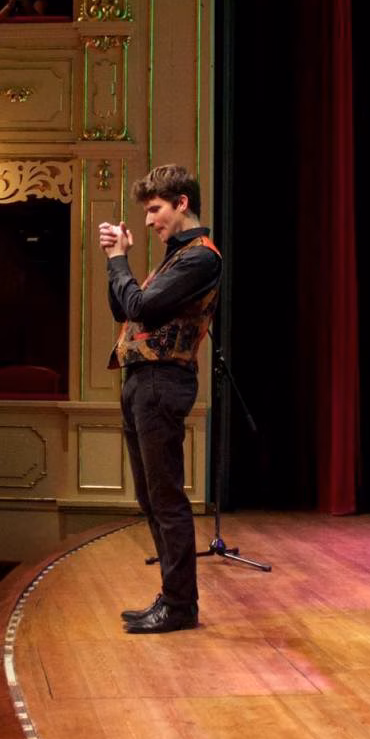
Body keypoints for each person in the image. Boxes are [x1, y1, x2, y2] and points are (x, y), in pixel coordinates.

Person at [97, 164, 221, 634]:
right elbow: (123, 308)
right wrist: (116, 259)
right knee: (151, 497)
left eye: (155, 210)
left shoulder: (200, 258)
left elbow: (141, 307)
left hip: (161, 381)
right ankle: (173, 596)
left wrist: (119, 262)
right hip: (141, 381)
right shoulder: (175, 257)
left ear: (182, 203)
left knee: (166, 499)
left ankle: (181, 605)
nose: (149, 221)